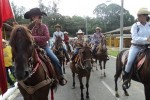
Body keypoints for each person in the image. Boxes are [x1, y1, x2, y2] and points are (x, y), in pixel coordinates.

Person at [24, 8, 67, 85]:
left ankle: (61, 77)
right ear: (32, 19)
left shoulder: (44, 27)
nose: (36, 19)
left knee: (55, 60)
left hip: (44, 47)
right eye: (34, 17)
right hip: (33, 48)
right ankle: (22, 79)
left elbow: (47, 37)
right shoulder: (29, 28)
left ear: (40, 18)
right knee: (23, 59)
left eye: (37, 17)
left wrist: (34, 37)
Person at [123, 8, 150, 89]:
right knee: (130, 61)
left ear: (145, 16)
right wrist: (146, 39)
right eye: (138, 15)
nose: (138, 17)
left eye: (139, 15)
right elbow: (134, 37)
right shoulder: (135, 26)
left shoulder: (149, 25)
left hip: (147, 47)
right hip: (136, 47)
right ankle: (126, 78)